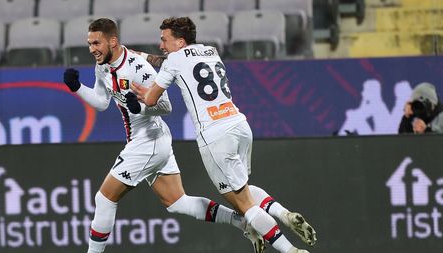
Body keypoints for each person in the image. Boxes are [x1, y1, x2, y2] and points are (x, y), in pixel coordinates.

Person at [62, 18, 267, 253]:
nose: (92, 49)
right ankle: (244, 222)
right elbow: (101, 102)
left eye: (96, 43)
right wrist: (77, 87)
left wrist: (142, 107)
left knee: (104, 198)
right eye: (89, 44)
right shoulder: (102, 67)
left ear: (113, 41)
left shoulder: (138, 67)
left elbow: (166, 106)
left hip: (148, 140)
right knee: (177, 202)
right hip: (150, 141)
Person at [131, 17, 317, 253]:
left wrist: (141, 93)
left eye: (164, 40)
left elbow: (151, 99)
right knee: (244, 189)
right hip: (239, 125)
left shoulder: (174, 60)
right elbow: (171, 61)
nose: (161, 45)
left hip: (215, 135)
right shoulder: (210, 50)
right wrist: (144, 57)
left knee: (244, 205)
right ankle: (283, 213)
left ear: (179, 41)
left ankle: (290, 251)